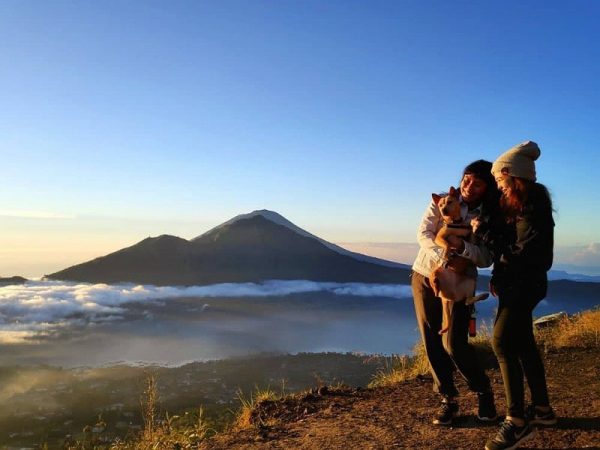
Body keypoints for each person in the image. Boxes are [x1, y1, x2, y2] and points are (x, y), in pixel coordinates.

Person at [411, 159, 499, 426]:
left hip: (460, 283)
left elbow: (486, 257)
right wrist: (445, 257)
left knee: (455, 344)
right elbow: (424, 233)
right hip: (426, 275)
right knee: (431, 339)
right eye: (467, 179)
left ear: (488, 187)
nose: (469, 186)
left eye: (478, 183)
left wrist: (463, 251)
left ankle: (483, 391)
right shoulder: (443, 201)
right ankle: (448, 399)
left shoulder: (489, 215)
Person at [484, 141, 557, 450]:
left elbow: (528, 251)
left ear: (512, 176)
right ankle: (542, 410)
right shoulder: (522, 204)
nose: (499, 187)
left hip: (525, 286)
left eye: (501, 181)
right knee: (524, 343)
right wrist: (499, 274)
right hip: (518, 284)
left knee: (500, 341)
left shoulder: (533, 205)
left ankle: (516, 421)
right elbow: (512, 245)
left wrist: (492, 248)